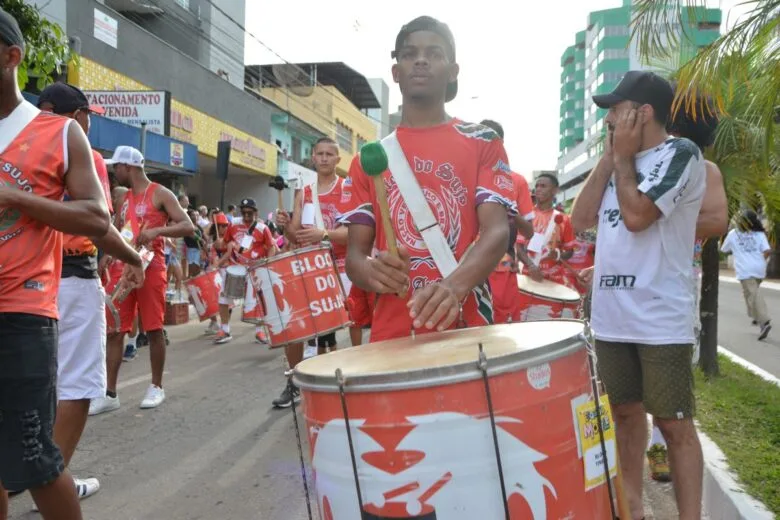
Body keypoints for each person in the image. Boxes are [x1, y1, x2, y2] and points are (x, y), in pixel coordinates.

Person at [570, 70, 706, 520]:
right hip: (612, 318)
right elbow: (581, 218)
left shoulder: (681, 154)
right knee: (625, 415)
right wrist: (610, 159)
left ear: (643, 112)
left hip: (659, 319)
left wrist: (624, 160)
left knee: (673, 424)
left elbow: (637, 216)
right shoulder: (617, 159)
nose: (608, 118)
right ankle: (631, 509)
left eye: (616, 109)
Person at [0, 8, 116, 518]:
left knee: (33, 459)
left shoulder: (59, 133)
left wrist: (17, 198)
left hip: (23, 313)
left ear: (12, 57)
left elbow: (96, 217)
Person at [341, 16, 516, 343]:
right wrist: (371, 272)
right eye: (409, 54)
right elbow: (355, 256)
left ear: (453, 71)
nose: (420, 60)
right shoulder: (370, 157)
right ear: (396, 72)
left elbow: (497, 231)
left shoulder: (483, 141)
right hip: (393, 335)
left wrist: (453, 287)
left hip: (467, 328)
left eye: (434, 53)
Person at [36, 82, 147, 505]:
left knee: (33, 384)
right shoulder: (79, 148)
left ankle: (18, 473)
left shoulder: (18, 148)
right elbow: (98, 224)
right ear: (79, 115)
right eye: (88, 116)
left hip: (24, 281)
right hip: (71, 280)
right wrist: (133, 257)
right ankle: (53, 484)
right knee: (77, 386)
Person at [645, 90, 729, 483]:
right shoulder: (643, 162)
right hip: (635, 282)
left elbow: (716, 221)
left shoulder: (705, 169)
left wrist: (661, 218)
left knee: (668, 386)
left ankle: (659, 448)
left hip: (672, 284)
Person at [89, 146, 195, 415]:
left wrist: (159, 229)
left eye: (118, 168)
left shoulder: (160, 193)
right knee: (115, 330)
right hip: (123, 267)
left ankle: (156, 386)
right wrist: (110, 256)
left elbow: (187, 226)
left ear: (130, 167)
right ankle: (110, 393)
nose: (115, 172)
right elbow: (123, 231)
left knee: (154, 328)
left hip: (152, 267)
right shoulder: (123, 198)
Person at [273, 136, 352, 407]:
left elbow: (358, 232)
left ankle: (348, 381)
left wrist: (325, 233)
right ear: (313, 157)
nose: (325, 158)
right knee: (295, 326)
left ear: (338, 159)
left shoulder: (348, 190)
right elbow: (295, 234)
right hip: (308, 265)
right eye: (320, 153)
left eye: (331, 154)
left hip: (342, 268)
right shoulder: (303, 192)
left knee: (344, 328)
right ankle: (294, 381)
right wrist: (284, 225)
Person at [479, 119, 535, 323]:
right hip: (467, 266)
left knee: (503, 334)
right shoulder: (464, 175)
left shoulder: (516, 181)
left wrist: (510, 209)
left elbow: (529, 232)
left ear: (501, 144)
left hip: (502, 269)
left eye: (491, 139)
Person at [213, 198, 277, 344]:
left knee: (259, 301)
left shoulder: (262, 228)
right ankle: (225, 329)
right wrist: (221, 244)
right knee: (223, 297)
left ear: (256, 212)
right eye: (244, 213)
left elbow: (271, 246)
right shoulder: (233, 224)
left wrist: (268, 263)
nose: (246, 217)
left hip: (255, 268)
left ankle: (259, 332)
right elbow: (226, 241)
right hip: (236, 267)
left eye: (250, 213)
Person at [516, 172, 576, 285]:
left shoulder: (564, 219)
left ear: (555, 190)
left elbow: (569, 251)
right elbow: (518, 247)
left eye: (543, 186)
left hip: (554, 279)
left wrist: (558, 255)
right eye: (537, 186)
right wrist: (531, 266)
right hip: (528, 276)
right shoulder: (526, 216)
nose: (538, 189)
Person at [721, 210, 772, 340]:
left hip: (745, 270)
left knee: (753, 295)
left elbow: (723, 249)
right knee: (750, 294)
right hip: (759, 268)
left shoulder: (733, 234)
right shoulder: (759, 234)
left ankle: (764, 322)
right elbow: (767, 251)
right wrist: (760, 260)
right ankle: (755, 316)